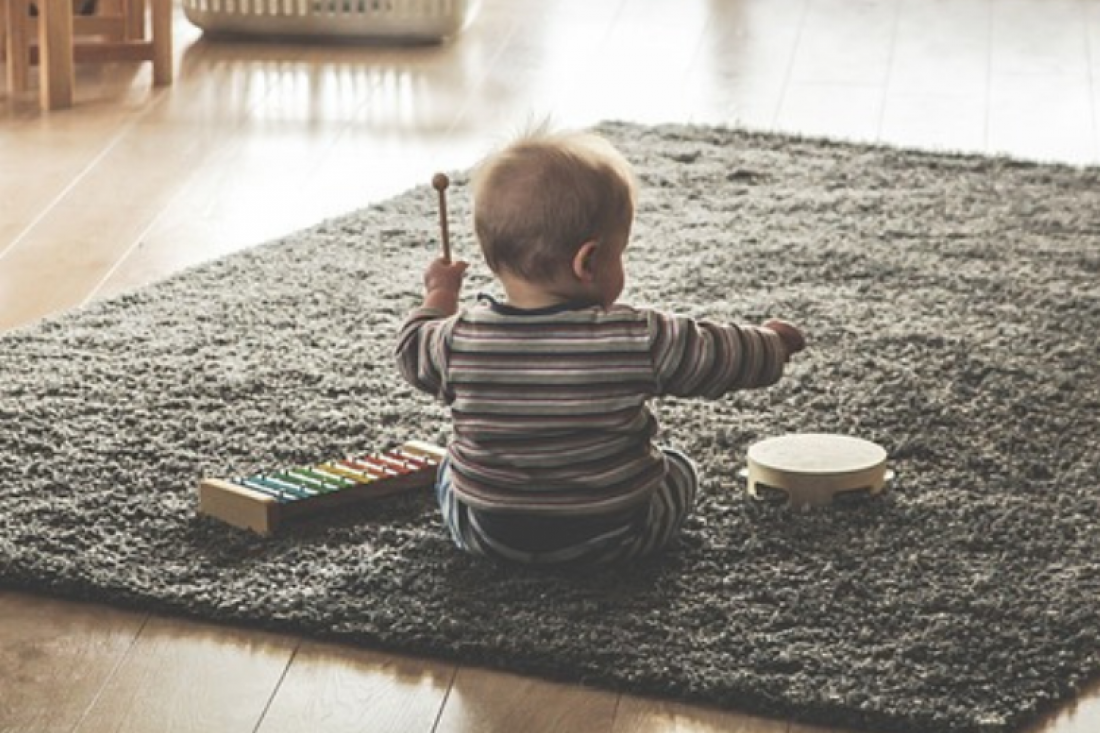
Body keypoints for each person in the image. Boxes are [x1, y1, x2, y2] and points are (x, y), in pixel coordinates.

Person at [395, 127, 805, 566]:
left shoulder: (455, 341)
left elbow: (410, 348)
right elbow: (720, 354)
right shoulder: (637, 337)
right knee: (680, 468)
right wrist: (773, 343)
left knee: (448, 468)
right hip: (616, 534)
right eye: (620, 254)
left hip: (488, 535)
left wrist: (439, 294)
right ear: (588, 261)